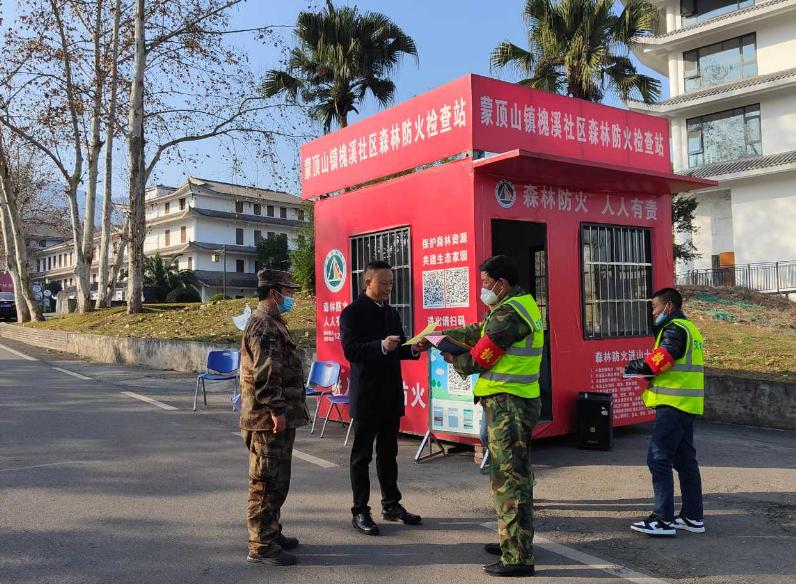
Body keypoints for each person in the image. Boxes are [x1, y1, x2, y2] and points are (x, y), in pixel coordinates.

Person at [442, 255, 544, 578]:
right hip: (515, 403)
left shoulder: (509, 314)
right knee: (515, 475)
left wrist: (450, 356)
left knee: (509, 480)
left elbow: (477, 359)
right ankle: (511, 541)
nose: (483, 288)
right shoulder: (516, 306)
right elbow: (479, 331)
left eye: (486, 282)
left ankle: (517, 557)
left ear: (501, 283)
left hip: (509, 407)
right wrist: (442, 334)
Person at [339, 260, 428, 536]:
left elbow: (399, 346)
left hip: (390, 393)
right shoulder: (352, 313)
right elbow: (351, 351)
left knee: (388, 453)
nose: (389, 287)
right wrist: (380, 345)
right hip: (367, 394)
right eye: (384, 283)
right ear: (368, 282)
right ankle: (360, 511)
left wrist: (415, 347)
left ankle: (391, 505)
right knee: (361, 456)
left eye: (392, 282)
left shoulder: (391, 312)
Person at [239, 269, 309, 566]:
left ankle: (272, 531)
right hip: (268, 419)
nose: (291, 297)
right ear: (274, 293)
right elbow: (266, 373)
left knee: (278, 479)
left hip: (275, 416)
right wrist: (277, 410)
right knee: (265, 481)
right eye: (288, 292)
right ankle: (261, 544)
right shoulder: (265, 326)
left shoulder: (272, 322)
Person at [625, 287, 706, 537]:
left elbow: (661, 360)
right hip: (685, 405)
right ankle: (693, 517)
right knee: (685, 462)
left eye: (654, 307)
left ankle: (662, 520)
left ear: (668, 307)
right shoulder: (689, 328)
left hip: (673, 405)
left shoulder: (674, 329)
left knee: (658, 459)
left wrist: (634, 366)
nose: (652, 311)